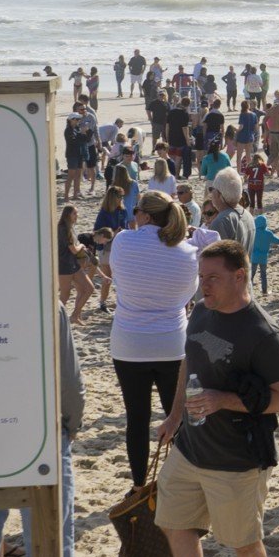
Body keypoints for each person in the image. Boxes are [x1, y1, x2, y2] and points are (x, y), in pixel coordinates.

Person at [150, 239, 279, 557]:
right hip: (190, 449)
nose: (204, 287)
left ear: (240, 276)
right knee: (175, 524)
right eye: (201, 278)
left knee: (244, 542)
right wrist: (175, 416)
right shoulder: (200, 314)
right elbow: (189, 363)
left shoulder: (263, 335)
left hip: (237, 460)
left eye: (212, 278)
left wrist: (224, 400)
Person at [110, 191, 201, 489]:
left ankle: (138, 485)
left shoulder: (123, 241)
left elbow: (118, 284)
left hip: (130, 342)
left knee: (137, 418)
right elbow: (187, 298)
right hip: (171, 342)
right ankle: (180, 483)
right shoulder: (187, 253)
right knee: (175, 416)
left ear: (146, 215)